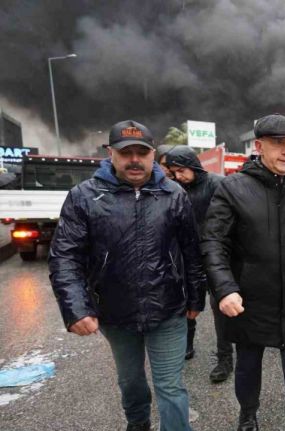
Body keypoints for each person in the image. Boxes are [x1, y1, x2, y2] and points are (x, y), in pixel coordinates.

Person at [48, 120, 206, 431]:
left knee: (170, 387)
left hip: (168, 310)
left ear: (152, 155)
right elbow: (65, 257)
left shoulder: (173, 194)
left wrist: (196, 299)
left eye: (142, 152)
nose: (134, 159)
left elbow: (191, 251)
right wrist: (76, 309)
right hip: (115, 313)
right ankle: (138, 424)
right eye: (126, 152)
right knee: (131, 382)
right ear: (111, 154)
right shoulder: (83, 196)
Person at [201, 114, 285, 431]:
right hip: (249, 301)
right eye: (278, 144)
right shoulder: (233, 189)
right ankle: (248, 413)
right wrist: (225, 288)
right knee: (248, 367)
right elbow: (214, 242)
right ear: (259, 146)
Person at [164, 146, 231, 381]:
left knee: (219, 307)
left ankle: (225, 359)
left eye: (181, 170)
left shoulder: (218, 184)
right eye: (173, 172)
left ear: (193, 165)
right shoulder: (175, 189)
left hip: (216, 255)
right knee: (186, 303)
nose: (178, 176)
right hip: (187, 256)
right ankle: (187, 346)